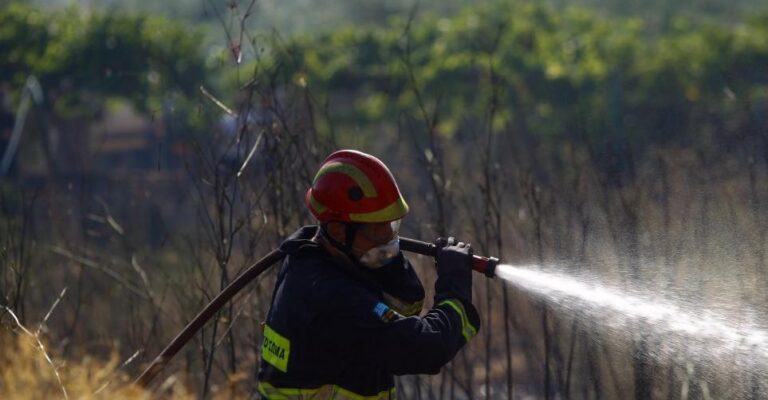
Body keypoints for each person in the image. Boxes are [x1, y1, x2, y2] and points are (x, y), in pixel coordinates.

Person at [257, 149, 480, 399]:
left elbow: (406, 306)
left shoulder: (309, 257)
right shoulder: (329, 296)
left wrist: (386, 258)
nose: (389, 237)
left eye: (392, 225)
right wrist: (455, 288)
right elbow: (426, 348)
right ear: (339, 231)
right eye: (378, 228)